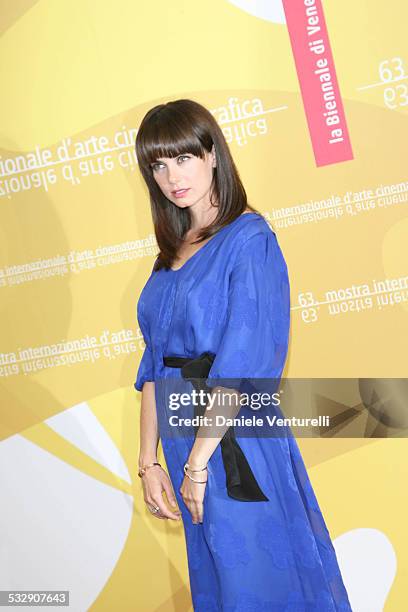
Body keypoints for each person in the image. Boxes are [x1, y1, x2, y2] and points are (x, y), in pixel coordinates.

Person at [133, 99, 352, 611]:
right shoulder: (169, 255)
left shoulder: (250, 239)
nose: (172, 177)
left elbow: (245, 366)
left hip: (232, 443)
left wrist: (198, 465)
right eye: (158, 165)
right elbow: (155, 365)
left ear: (213, 156)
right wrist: (149, 462)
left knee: (260, 581)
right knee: (221, 587)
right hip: (184, 439)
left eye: (183, 158)